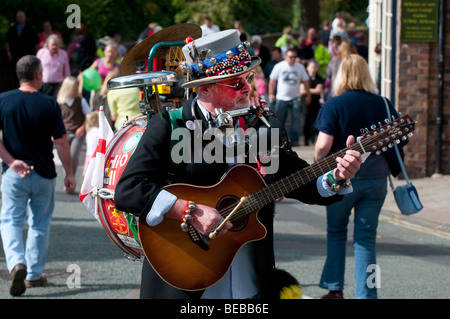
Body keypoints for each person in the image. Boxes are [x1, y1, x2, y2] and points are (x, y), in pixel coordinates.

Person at [113, 29, 362, 299]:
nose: (247, 89)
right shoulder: (171, 126)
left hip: (249, 279)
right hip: (185, 271)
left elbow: (297, 179)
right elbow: (129, 189)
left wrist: (336, 176)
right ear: (204, 88)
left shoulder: (262, 126)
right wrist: (188, 210)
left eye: (248, 78)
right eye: (236, 83)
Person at [314, 54, 404, 299]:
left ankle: (335, 290)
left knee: (336, 231)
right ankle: (368, 295)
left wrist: (316, 165)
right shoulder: (383, 103)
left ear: (341, 75)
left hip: (341, 178)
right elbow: (400, 136)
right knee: (366, 239)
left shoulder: (334, 104)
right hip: (377, 180)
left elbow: (324, 145)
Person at [0, 55, 75, 296]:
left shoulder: (3, 100)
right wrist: (69, 173)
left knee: (11, 220)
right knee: (39, 224)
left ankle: (16, 263)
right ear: (38, 75)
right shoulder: (49, 104)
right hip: (44, 172)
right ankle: (33, 274)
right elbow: (61, 142)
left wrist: (11, 161)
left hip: (14, 173)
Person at [268, 48, 311, 146]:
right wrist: (271, 93)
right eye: (291, 57)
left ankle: (294, 140)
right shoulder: (279, 66)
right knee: (278, 121)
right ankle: (277, 140)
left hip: (295, 97)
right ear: (286, 57)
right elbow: (272, 80)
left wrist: (308, 95)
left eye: (295, 57)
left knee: (296, 121)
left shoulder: (300, 67)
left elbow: (306, 81)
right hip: (281, 98)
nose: (293, 59)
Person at [57, 76, 91, 178]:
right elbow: (55, 119)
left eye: (77, 89)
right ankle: (67, 177)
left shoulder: (81, 101)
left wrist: (82, 127)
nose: (75, 91)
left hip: (77, 132)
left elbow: (88, 115)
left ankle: (71, 176)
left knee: (73, 156)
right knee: (65, 157)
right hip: (64, 133)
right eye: (73, 89)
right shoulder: (60, 103)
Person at [301, 60, 324, 146]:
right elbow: (302, 91)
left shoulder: (319, 78)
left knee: (315, 121)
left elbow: (318, 90)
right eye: (311, 67)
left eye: (314, 67)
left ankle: (313, 138)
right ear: (307, 68)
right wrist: (311, 91)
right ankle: (306, 139)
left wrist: (307, 90)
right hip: (306, 103)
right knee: (306, 121)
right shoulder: (304, 78)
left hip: (315, 104)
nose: (313, 69)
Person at [83, 111, 99, 175]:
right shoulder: (98, 131)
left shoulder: (89, 131)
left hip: (88, 156)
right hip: (96, 157)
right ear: (95, 120)